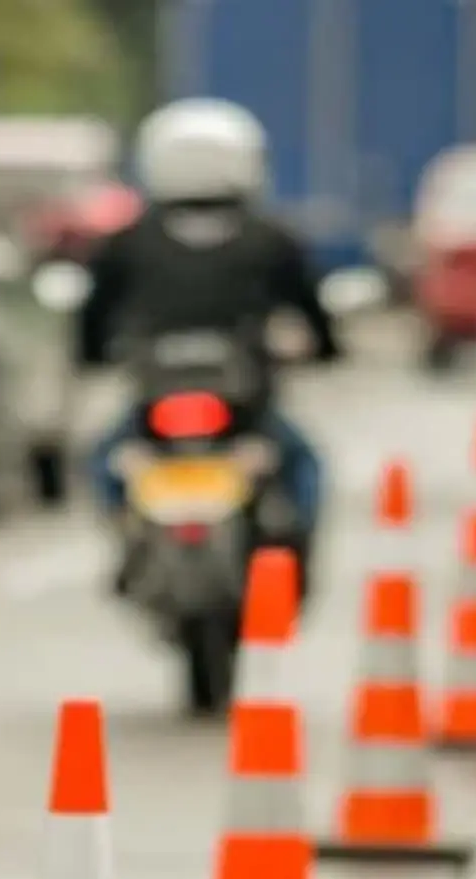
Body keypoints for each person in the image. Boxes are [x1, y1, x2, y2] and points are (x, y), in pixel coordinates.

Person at [78, 97, 341, 594]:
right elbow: (313, 311)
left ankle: (123, 534)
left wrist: (92, 355)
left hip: (160, 407)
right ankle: (297, 559)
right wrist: (327, 349)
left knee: (104, 458)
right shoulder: (269, 238)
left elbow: (91, 318)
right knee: (302, 463)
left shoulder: (129, 242)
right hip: (243, 409)